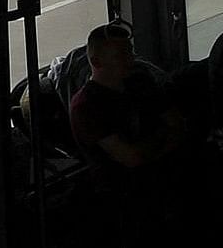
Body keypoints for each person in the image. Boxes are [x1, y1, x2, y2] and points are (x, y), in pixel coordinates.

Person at [67, 23, 165, 169]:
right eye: (121, 55)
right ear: (96, 62)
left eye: (130, 52)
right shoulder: (85, 106)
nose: (131, 59)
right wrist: (164, 137)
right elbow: (132, 158)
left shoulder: (140, 80)